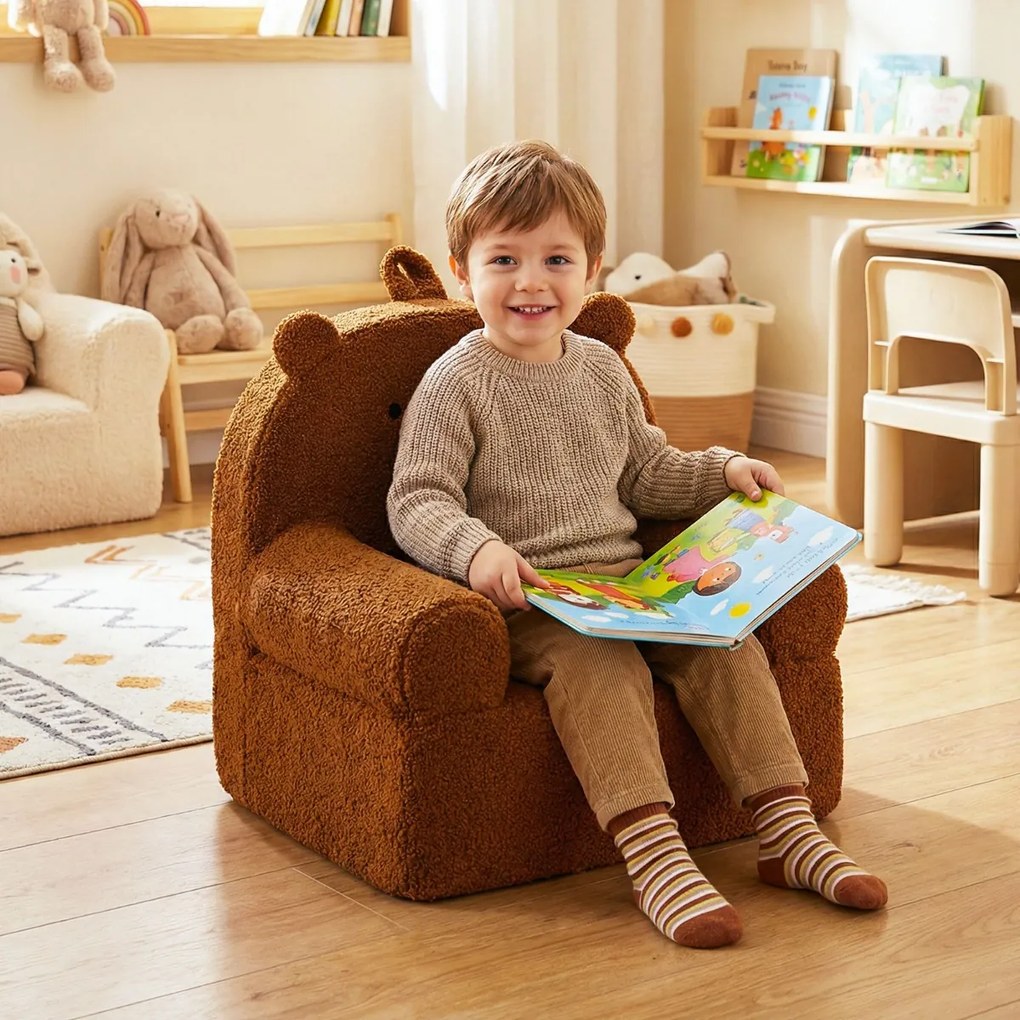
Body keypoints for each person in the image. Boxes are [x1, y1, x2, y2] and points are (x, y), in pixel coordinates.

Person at [387, 139, 886, 949]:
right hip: (535, 597)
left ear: (593, 271)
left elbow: (648, 473)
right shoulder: (454, 381)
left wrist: (725, 472)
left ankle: (788, 833)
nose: (531, 281)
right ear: (460, 271)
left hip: (631, 583)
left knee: (726, 644)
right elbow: (417, 499)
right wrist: (478, 553)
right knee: (598, 663)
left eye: (556, 258)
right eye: (503, 259)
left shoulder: (600, 367)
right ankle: (655, 855)